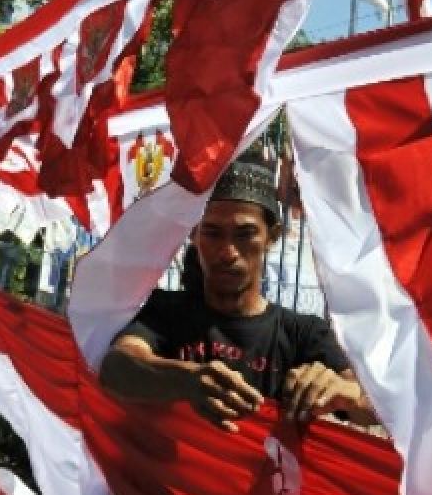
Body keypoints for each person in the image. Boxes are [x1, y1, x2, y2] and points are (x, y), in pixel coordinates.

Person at [99, 161, 375, 432]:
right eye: (213, 233)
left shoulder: (302, 334)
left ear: (272, 237)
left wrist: (343, 391)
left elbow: (380, 409)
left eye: (245, 235)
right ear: (194, 235)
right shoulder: (166, 312)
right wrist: (186, 381)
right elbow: (117, 366)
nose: (228, 252)